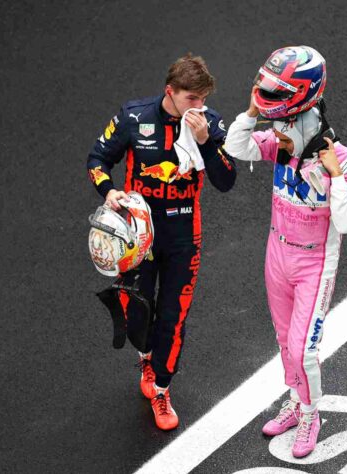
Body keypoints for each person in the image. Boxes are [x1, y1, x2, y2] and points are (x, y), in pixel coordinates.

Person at [224, 46, 347, 457]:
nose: (279, 133)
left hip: (314, 262)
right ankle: (296, 401)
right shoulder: (281, 143)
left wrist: (334, 177)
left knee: (304, 349)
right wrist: (251, 112)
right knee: (285, 341)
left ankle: (311, 414)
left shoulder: (346, 162)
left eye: (286, 124)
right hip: (276, 253)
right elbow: (237, 146)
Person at [86, 54, 236, 430]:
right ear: (170, 91)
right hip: (139, 235)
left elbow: (226, 179)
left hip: (185, 235)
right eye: (191, 99)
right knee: (137, 309)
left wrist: (204, 142)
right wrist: (108, 190)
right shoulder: (133, 117)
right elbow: (98, 158)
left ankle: (162, 388)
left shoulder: (211, 124)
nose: (198, 107)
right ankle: (147, 356)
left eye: (203, 99)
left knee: (174, 315)